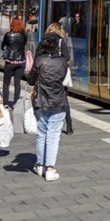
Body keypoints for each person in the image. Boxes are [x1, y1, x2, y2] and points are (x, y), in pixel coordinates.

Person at [26, 34, 70, 181]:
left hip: (41, 102)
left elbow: (31, 81)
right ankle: (50, 169)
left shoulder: (39, 60)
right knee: (53, 136)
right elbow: (62, 79)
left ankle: (39, 165)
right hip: (58, 102)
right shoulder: (63, 62)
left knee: (41, 134)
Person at [45, 21, 74, 135]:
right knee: (64, 100)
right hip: (60, 74)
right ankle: (69, 126)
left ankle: (48, 122)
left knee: (46, 97)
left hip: (47, 74)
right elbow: (66, 57)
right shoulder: (61, 42)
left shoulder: (44, 42)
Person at [0, 17, 28, 108]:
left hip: (10, 61)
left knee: (6, 83)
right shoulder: (24, 35)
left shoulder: (8, 35)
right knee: (17, 83)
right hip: (21, 61)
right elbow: (24, 44)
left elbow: (2, 45)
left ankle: (5, 103)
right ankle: (16, 103)